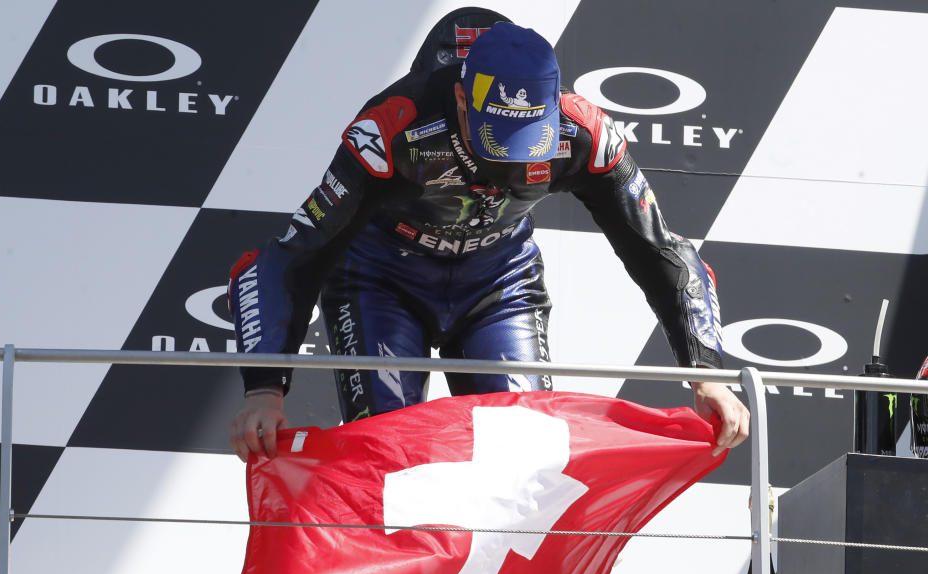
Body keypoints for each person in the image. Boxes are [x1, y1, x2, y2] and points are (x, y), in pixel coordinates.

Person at [226, 18, 749, 462]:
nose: (512, 161)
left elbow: (657, 248)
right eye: (497, 138)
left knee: (525, 459)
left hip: (498, 284)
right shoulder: (391, 130)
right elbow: (296, 253)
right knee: (388, 456)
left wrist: (706, 373)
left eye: (529, 140)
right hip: (381, 282)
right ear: (459, 99)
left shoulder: (584, 133)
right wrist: (265, 387)